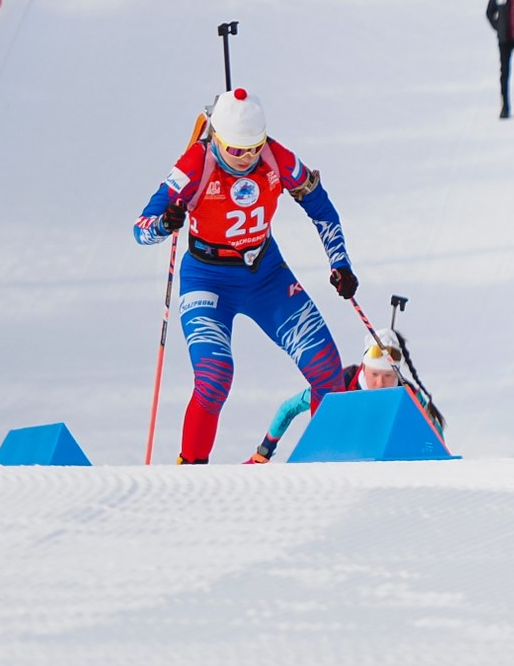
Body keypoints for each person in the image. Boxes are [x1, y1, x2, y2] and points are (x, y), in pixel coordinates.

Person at [133, 87, 357, 464]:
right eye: (236, 151)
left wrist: (341, 263)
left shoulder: (276, 157)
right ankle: (190, 472)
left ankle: (326, 464)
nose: (246, 158)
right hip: (207, 279)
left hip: (265, 275)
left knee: (326, 369)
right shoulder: (195, 163)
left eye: (253, 148)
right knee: (214, 377)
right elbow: (140, 229)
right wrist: (164, 223)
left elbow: (322, 210)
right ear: (217, 139)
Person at [249, 340, 404, 463]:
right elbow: (289, 408)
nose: (380, 383)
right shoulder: (339, 382)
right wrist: (264, 452)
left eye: (388, 375)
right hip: (335, 459)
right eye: (374, 374)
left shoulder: (406, 393)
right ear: (364, 368)